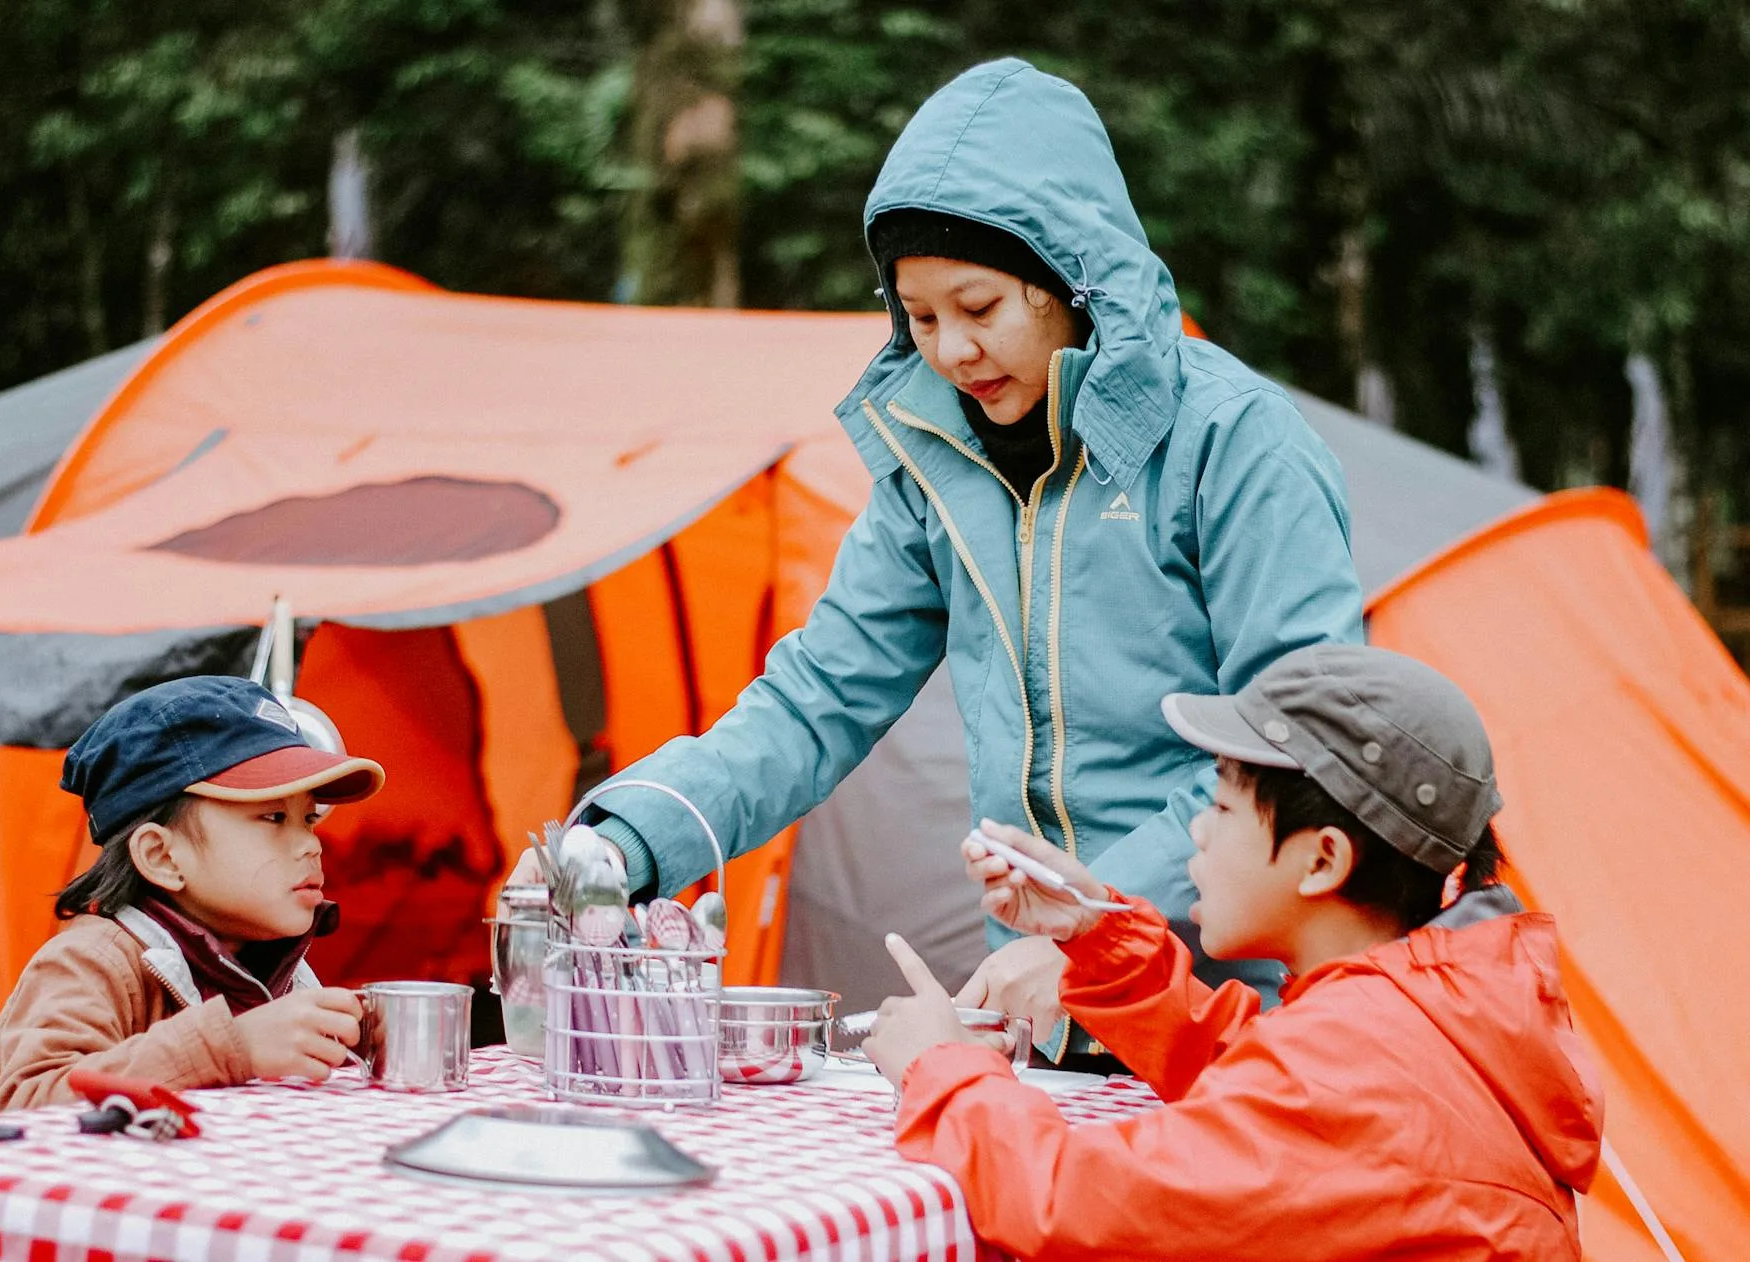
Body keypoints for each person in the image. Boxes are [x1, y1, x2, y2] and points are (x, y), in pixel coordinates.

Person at [514, 57, 1363, 1058]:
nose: (952, 351)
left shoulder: (1232, 445)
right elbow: (814, 697)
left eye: (977, 306)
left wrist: (1099, 925)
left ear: (1068, 282)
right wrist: (623, 837)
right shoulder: (936, 467)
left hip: (1233, 1010)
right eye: (919, 319)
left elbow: (1295, 735)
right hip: (1044, 1009)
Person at [863, 644, 1605, 1259]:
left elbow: (1076, 1205)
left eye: (1220, 807)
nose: (1198, 833)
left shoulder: (1357, 1064)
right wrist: (1097, 936)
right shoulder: (1429, 1011)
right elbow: (1263, 1087)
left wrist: (944, 1067)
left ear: (1323, 861)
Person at [0, 677, 386, 1112]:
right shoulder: (91, 961)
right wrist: (232, 1046)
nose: (311, 844)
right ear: (162, 857)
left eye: (309, 819)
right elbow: (24, 1102)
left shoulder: (270, 959)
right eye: (273, 816)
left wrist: (357, 1039)